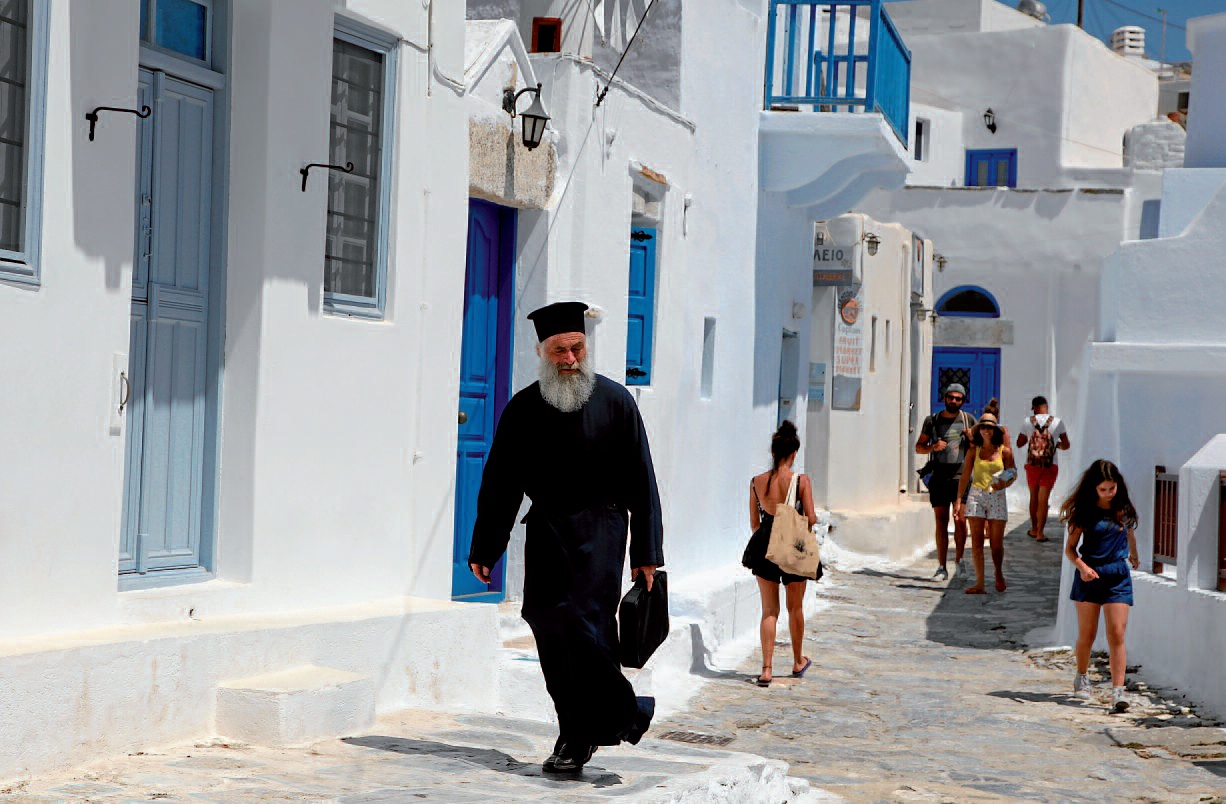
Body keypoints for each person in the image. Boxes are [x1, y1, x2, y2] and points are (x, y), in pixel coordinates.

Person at [467, 301, 663, 773]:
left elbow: (642, 480)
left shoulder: (616, 402)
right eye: (560, 350)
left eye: (577, 348)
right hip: (548, 532)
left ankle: (614, 718)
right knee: (547, 625)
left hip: (602, 530)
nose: (571, 358)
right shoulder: (522, 409)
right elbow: (501, 483)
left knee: (585, 626)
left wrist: (646, 551)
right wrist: (486, 547)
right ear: (541, 352)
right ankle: (574, 730)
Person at [741, 421, 818, 687]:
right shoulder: (801, 481)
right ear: (794, 453)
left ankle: (766, 669)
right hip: (793, 544)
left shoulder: (756, 482)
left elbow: (754, 522)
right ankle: (797, 661)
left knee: (768, 610)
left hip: (764, 543)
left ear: (773, 452)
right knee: (795, 607)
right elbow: (811, 517)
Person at [1060, 460, 1140, 713]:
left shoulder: (1123, 509)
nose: (1108, 493)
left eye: (1111, 488)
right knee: (1088, 634)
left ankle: (1118, 692)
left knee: (1117, 633)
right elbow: (1070, 549)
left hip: (1118, 577)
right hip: (1090, 576)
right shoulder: (1084, 512)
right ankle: (1082, 675)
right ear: (1093, 488)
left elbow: (1129, 532)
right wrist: (1082, 568)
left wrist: (1134, 555)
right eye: (1103, 489)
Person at [955, 404, 1017, 594]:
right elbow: (965, 476)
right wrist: (959, 499)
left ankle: (998, 572)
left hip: (997, 496)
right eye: (983, 427)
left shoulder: (1005, 452)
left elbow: (1013, 473)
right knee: (977, 541)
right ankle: (980, 583)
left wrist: (1004, 484)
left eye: (990, 427)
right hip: (976, 495)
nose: (986, 430)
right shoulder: (973, 451)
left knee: (996, 544)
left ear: (995, 430)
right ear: (979, 430)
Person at [916, 383, 974, 580]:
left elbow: (979, 448)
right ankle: (941, 566)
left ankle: (959, 561)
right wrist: (933, 447)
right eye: (951, 397)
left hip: (961, 477)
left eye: (958, 398)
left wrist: (972, 439)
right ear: (945, 398)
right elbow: (918, 447)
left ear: (963, 401)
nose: (954, 401)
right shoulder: (932, 421)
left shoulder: (968, 420)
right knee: (941, 521)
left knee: (960, 520)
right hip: (939, 476)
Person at [1016, 395, 1071, 542]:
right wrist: (1056, 445)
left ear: (1034, 408)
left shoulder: (1027, 422)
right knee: (1043, 499)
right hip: (1050, 465)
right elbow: (1066, 445)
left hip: (1032, 465)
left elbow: (1019, 443)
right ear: (1046, 407)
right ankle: (1041, 533)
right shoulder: (1058, 422)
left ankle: (1034, 529)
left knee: (1033, 497)